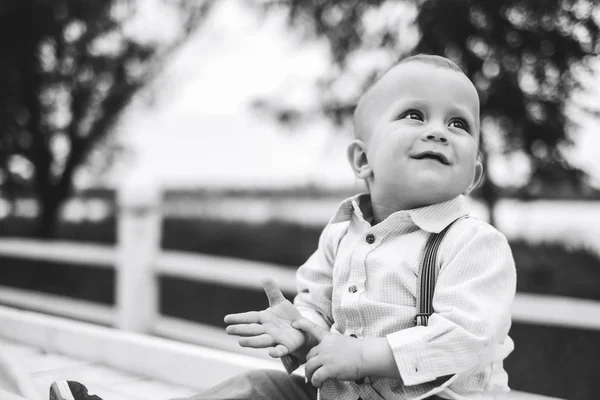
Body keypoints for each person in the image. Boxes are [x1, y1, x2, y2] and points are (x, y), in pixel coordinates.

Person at [50, 54, 516, 400]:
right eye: (414, 115)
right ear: (363, 160)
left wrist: (361, 358)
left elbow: (464, 338)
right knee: (260, 387)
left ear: (473, 175)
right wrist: (301, 332)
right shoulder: (341, 234)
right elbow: (317, 307)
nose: (438, 130)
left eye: (459, 123)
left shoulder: (474, 244)